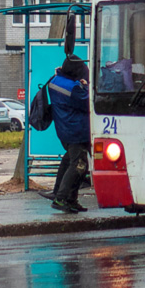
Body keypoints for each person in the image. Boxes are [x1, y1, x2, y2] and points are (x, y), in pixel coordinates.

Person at [46, 55, 91, 214]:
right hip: (75, 130)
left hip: (66, 128)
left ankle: (69, 198)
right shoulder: (72, 88)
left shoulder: (57, 80)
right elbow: (88, 101)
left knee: (70, 160)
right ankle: (62, 198)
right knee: (79, 165)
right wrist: (86, 86)